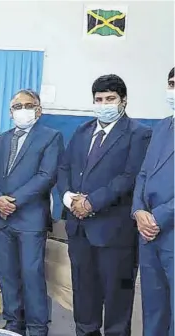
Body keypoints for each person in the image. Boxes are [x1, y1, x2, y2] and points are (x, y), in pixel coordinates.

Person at [57, 74, 152, 336]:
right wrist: (69, 198)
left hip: (115, 233)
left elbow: (130, 177)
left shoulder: (139, 134)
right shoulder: (82, 131)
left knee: (117, 301)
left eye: (110, 99)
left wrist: (92, 202)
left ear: (123, 101)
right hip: (79, 230)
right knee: (83, 296)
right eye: (99, 100)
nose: (104, 104)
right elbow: (64, 167)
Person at [0, 89, 64, 336]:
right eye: (17, 107)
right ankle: (13, 323)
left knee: (32, 274)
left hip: (30, 219)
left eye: (28, 105)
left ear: (38, 110)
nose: (22, 110)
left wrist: (13, 202)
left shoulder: (51, 137)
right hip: (3, 219)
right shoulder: (3, 139)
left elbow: (46, 176)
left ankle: (38, 327)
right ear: (10, 112)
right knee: (6, 273)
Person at [132, 67, 174, 336]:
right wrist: (138, 210)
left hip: (168, 229)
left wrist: (159, 216)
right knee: (153, 308)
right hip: (148, 234)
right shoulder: (162, 127)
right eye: (171, 83)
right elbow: (144, 173)